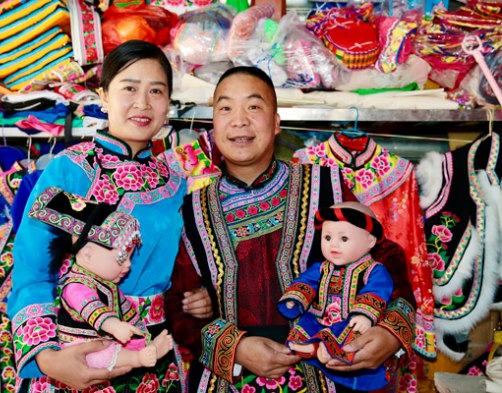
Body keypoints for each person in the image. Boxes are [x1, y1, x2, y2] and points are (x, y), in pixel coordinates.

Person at [164, 66, 416, 393]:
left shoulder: (328, 188)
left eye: (254, 107)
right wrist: (236, 348)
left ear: (277, 123)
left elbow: (385, 258)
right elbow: (176, 306)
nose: (239, 120)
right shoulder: (190, 211)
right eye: (225, 108)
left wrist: (389, 332)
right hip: (230, 381)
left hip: (327, 372)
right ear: (213, 124)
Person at [8, 40, 210, 391]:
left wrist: (200, 295)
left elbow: (190, 264)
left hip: (153, 357)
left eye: (156, 91)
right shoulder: (72, 171)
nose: (142, 103)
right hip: (77, 351)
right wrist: (46, 357)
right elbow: (32, 271)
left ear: (168, 104)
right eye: (129, 88)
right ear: (103, 95)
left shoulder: (180, 180)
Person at [27, 186, 174, 387]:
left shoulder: (106, 283)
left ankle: (147, 350)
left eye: (129, 257)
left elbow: (125, 308)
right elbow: (93, 309)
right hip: (80, 346)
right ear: (87, 255)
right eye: (121, 258)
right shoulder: (76, 286)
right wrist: (114, 326)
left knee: (129, 343)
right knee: (102, 355)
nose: (128, 265)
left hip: (107, 337)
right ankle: (138, 358)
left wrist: (137, 327)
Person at [278, 201, 393, 391]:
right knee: (306, 322)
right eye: (328, 237)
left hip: (349, 319)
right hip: (321, 316)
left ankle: (325, 350)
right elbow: (306, 281)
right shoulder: (322, 267)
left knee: (350, 335)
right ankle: (312, 348)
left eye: (344, 239)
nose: (334, 245)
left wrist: (364, 314)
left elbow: (377, 290)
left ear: (370, 242)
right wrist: (295, 298)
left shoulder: (374, 270)